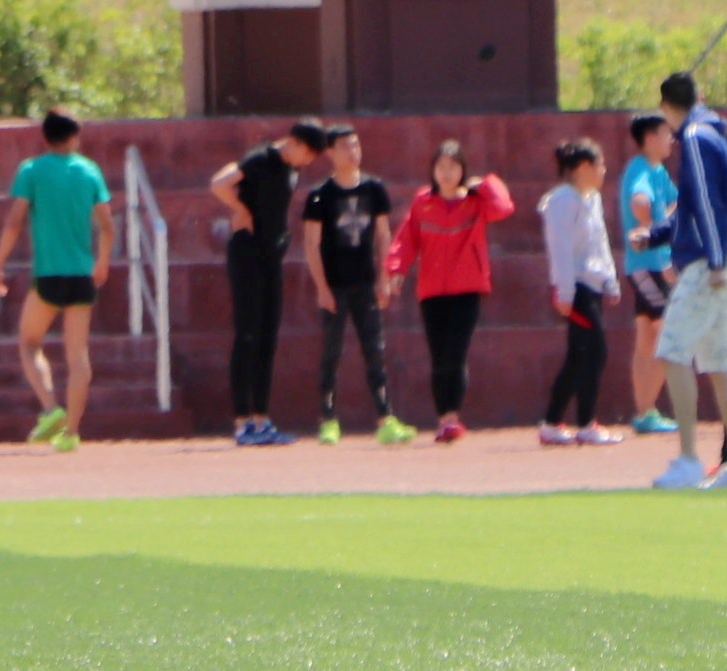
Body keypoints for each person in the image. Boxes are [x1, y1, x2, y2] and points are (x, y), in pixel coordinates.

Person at [649, 70, 727, 488]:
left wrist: (713, 258)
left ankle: (688, 459)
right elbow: (699, 202)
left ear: (665, 108)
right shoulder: (716, 134)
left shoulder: (694, 137)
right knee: (718, 359)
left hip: (709, 262)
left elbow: (708, 204)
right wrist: (660, 232)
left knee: (673, 349)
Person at [0, 110, 111, 446]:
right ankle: (71, 432)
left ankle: (51, 406)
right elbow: (107, 226)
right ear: (74, 137)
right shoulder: (89, 170)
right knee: (78, 355)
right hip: (82, 275)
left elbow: (14, 222)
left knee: (29, 342)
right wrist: (103, 261)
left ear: (45, 137)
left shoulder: (32, 170)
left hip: (49, 274)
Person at [382, 138, 514, 443]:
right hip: (432, 290)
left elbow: (503, 208)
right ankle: (443, 419)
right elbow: (406, 239)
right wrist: (396, 271)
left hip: (467, 288)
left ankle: (452, 416)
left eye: (453, 167)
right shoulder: (423, 201)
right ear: (432, 170)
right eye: (441, 166)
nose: (446, 173)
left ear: (463, 170)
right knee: (439, 356)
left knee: (455, 353)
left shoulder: (475, 201)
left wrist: (486, 183)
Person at [207, 119, 330, 447]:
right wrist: (240, 209)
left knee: (267, 336)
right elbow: (219, 183)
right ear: (294, 142)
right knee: (246, 334)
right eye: (307, 153)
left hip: (271, 255)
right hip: (247, 252)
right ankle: (242, 421)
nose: (307, 161)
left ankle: (262, 418)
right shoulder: (261, 158)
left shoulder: (292, 169)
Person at [297, 124, 408, 445]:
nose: (353, 152)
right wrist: (321, 287)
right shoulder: (320, 195)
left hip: (365, 283)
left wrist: (384, 278)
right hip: (334, 285)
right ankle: (328, 419)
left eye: (356, 145)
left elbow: (383, 234)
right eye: (345, 146)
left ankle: (386, 418)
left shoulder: (374, 189)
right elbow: (311, 244)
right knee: (331, 352)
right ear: (330, 152)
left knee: (375, 350)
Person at [537, 139, 619, 445]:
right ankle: (586, 422)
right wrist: (565, 291)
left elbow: (600, 242)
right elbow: (560, 249)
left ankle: (551, 422)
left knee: (578, 355)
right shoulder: (562, 201)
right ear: (584, 167)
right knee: (595, 351)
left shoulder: (592, 199)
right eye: (600, 165)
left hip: (594, 285)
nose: (603, 171)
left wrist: (610, 280)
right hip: (577, 288)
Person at [618, 112, 681, 436]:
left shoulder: (658, 170)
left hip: (654, 265)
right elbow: (639, 201)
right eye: (665, 134)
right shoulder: (641, 169)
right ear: (649, 137)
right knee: (667, 332)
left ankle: (645, 411)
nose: (671, 140)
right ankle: (647, 410)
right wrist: (649, 224)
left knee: (647, 336)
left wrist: (667, 219)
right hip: (647, 265)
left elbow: (676, 202)